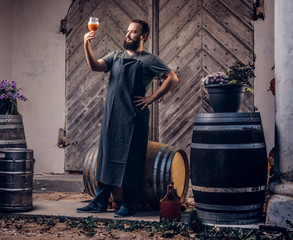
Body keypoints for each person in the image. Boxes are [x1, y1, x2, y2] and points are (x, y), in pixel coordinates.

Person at [77, 19, 178, 217]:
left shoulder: (150, 59)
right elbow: (95, 66)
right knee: (106, 157)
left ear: (143, 36)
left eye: (133, 32)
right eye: (128, 31)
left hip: (134, 118)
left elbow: (172, 78)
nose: (128, 34)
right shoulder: (116, 56)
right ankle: (99, 202)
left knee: (132, 159)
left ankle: (130, 203)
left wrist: (151, 98)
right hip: (112, 116)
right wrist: (86, 45)